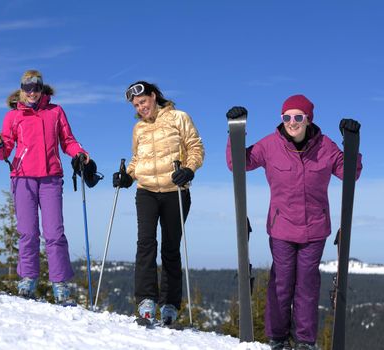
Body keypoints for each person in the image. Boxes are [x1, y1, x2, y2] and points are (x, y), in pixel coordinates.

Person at [226, 95, 362, 350]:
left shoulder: (325, 146)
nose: (292, 122)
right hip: (282, 228)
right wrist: (234, 132)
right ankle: (277, 338)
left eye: (298, 117)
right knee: (281, 283)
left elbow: (350, 173)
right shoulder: (270, 145)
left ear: (308, 119)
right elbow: (237, 163)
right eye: (286, 117)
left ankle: (304, 341)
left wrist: (352, 143)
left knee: (308, 286)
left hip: (315, 229)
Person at [0, 69, 91, 304]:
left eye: (36, 87)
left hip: (50, 177)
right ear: (22, 89)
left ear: (42, 88)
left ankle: (60, 286)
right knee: (28, 232)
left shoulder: (55, 111)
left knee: (54, 233)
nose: (32, 92)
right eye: (27, 88)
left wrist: (80, 154)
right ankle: (27, 281)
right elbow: (5, 150)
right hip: (23, 177)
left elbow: (67, 140)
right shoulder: (13, 116)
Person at [114, 81, 204, 325]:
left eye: (143, 101)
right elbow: (137, 158)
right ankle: (146, 300)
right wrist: (127, 176)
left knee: (171, 248)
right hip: (146, 191)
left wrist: (188, 169)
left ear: (154, 96)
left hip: (175, 189)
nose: (141, 107)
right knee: (145, 243)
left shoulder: (179, 117)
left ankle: (170, 305)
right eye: (136, 105)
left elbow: (195, 147)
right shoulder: (138, 128)